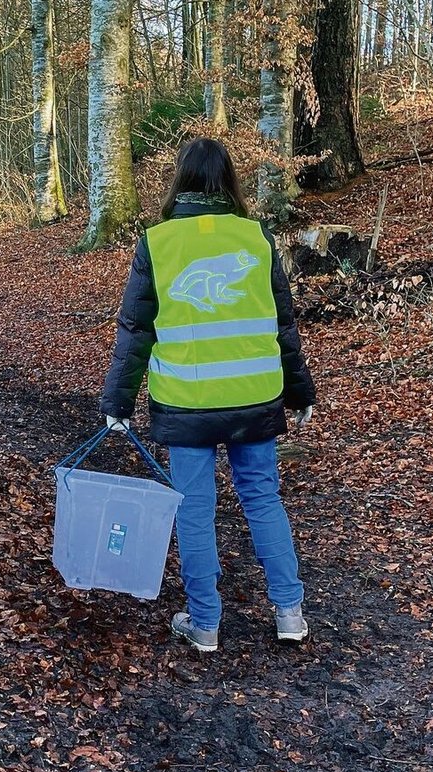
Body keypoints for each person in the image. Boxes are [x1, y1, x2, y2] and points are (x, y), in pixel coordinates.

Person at [99, 137, 316, 653]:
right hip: (254, 397)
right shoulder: (256, 238)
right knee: (263, 499)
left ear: (181, 180)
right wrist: (299, 390)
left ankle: (205, 623)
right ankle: (289, 613)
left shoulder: (160, 241)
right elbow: (284, 325)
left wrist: (117, 403)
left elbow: (136, 329)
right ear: (230, 181)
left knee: (194, 510)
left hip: (187, 402)